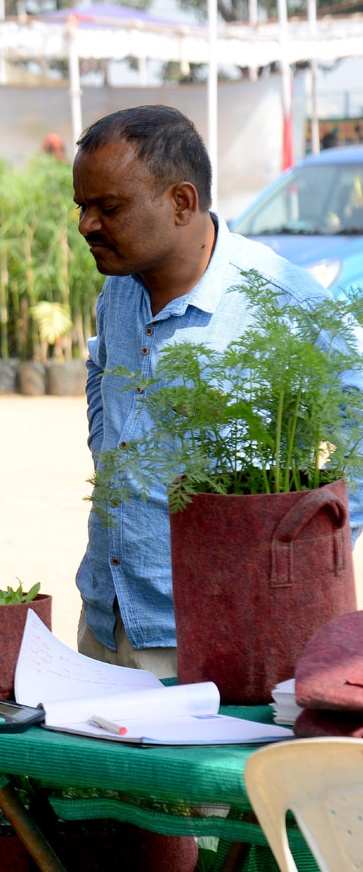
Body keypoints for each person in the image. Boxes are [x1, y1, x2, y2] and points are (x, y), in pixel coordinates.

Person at [74, 104, 363, 678]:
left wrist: (303, 555)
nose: (86, 225)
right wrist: (108, 450)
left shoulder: (283, 304)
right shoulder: (120, 293)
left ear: (181, 202)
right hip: (107, 617)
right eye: (81, 207)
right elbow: (100, 371)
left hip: (215, 633)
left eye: (109, 207)